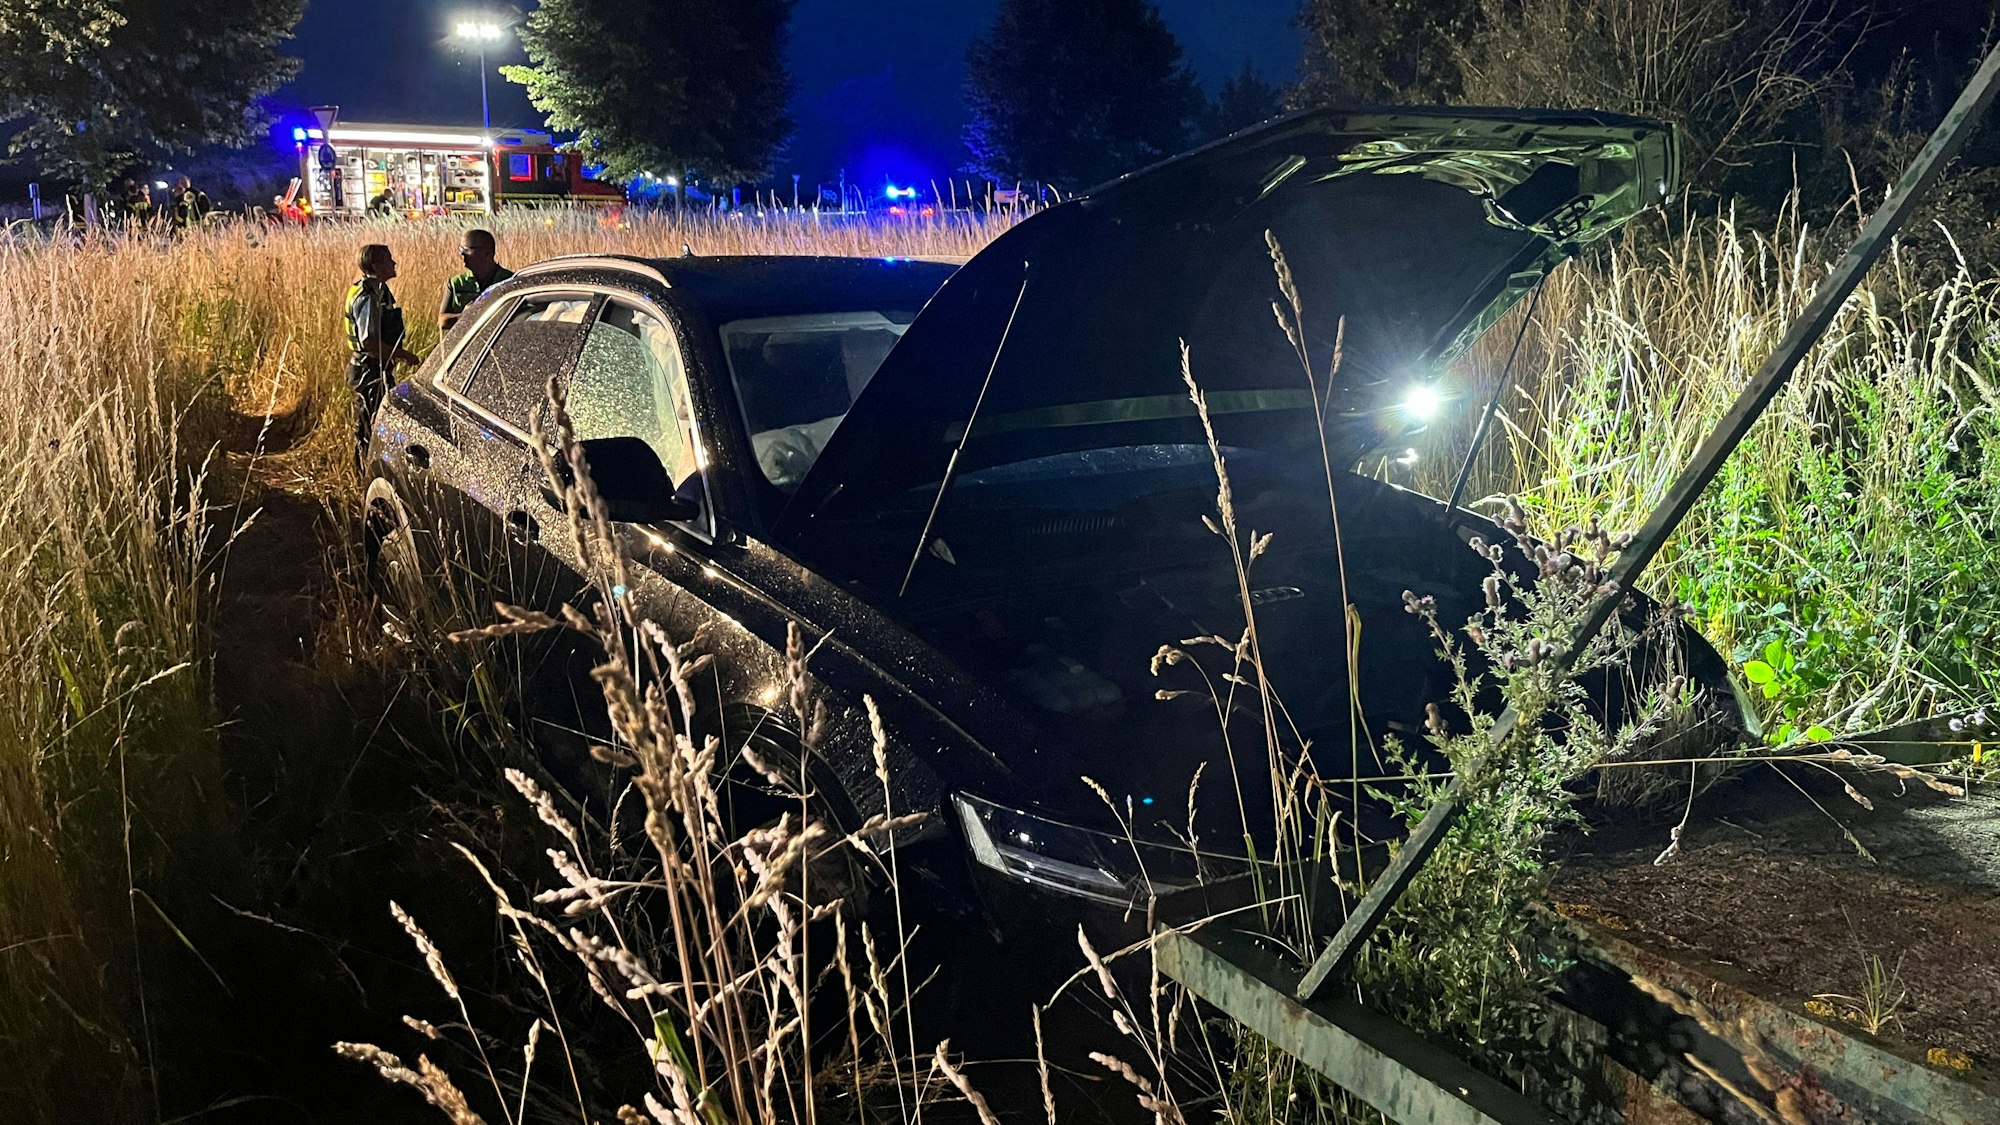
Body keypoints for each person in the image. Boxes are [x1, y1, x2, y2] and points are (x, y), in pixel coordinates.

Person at [345, 244, 422, 466]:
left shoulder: (376, 290)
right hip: (369, 372)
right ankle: (364, 473)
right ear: (377, 266)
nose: (394, 263)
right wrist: (402, 354)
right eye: (389, 260)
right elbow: (368, 341)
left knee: (375, 421)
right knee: (371, 425)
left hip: (373, 369)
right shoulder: (368, 297)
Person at [438, 228, 514, 331]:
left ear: (487, 253)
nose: (462, 254)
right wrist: (464, 317)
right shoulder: (456, 283)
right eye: (461, 249)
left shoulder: (510, 280)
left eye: (467, 250)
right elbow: (442, 321)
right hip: (465, 343)